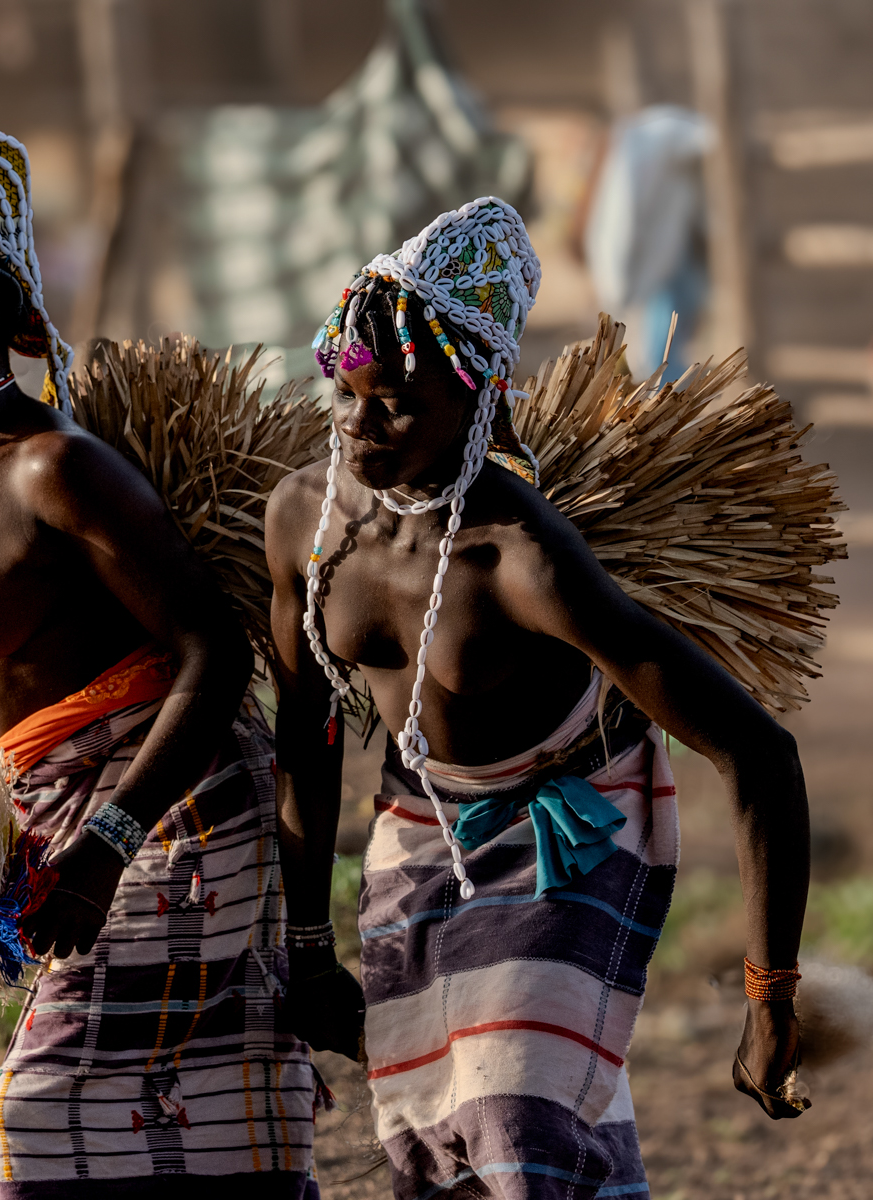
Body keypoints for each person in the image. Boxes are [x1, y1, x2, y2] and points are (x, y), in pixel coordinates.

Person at [264, 197, 811, 1199]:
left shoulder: (520, 559)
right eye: (345, 391)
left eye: (397, 400)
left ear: (479, 397)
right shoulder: (305, 518)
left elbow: (758, 751)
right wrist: (305, 943)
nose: (359, 425)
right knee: (435, 1147)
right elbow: (304, 733)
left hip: (568, 832)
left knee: (515, 1116)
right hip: (418, 829)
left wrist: (770, 995)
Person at [0, 110, 332, 1198]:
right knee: (152, 1122)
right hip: (58, 824)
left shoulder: (59, 471)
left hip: (171, 818)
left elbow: (216, 654)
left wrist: (106, 842)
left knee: (42, 1128)